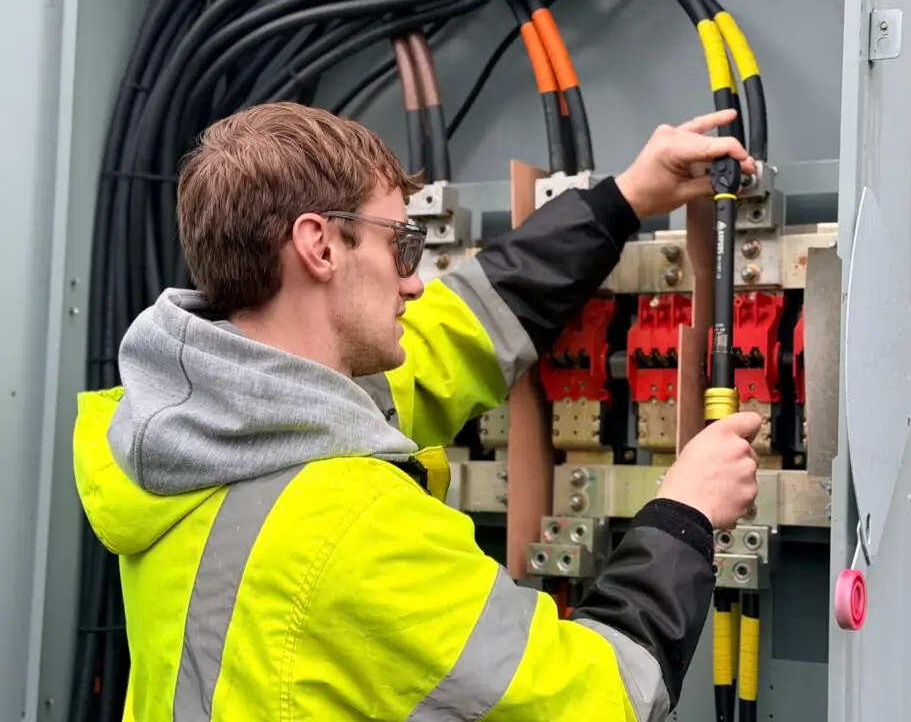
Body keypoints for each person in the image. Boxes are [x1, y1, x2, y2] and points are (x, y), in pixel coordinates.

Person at [73, 101, 763, 722]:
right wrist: (685, 515)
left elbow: (455, 336)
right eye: (400, 244)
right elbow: (599, 698)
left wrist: (622, 200)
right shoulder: (356, 529)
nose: (414, 279)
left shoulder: (181, 430)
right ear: (319, 246)